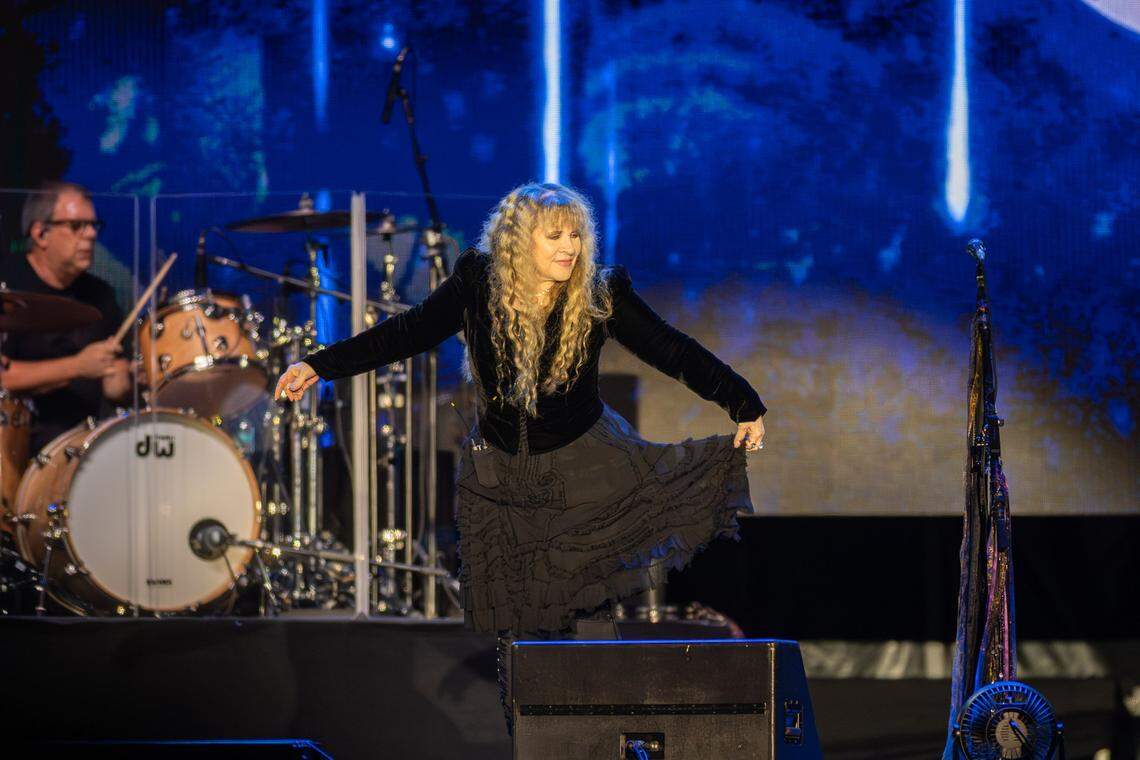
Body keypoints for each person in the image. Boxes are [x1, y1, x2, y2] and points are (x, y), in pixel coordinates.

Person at [274, 182, 766, 731]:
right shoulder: (476, 285)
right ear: (517, 241)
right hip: (502, 477)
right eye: (554, 235)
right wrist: (320, 365)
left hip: (584, 472)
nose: (570, 246)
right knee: (519, 631)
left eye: (576, 234)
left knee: (587, 614)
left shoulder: (600, 294)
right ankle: (532, 739)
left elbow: (672, 349)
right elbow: (404, 334)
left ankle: (600, 737)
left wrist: (741, 400)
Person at [1, 181, 130, 454]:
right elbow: (4, 377)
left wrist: (121, 379)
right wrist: (77, 366)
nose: (91, 234)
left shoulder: (101, 295)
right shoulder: (7, 289)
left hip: (87, 445)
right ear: (40, 233)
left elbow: (116, 386)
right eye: (77, 226)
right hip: (17, 444)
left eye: (94, 225)